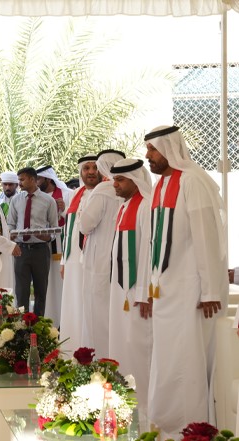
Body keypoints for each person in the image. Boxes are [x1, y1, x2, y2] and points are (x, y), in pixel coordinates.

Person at [144, 126, 227, 439]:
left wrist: (209, 290)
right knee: (167, 357)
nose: (148, 156)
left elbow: (206, 237)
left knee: (188, 357)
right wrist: (151, 284)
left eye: (153, 149)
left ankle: (193, 426)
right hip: (165, 289)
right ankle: (166, 421)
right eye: (147, 149)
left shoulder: (191, 181)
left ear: (170, 148)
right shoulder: (161, 185)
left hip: (191, 289)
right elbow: (156, 241)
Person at [107, 158, 153, 431]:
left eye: (120, 180)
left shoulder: (145, 206)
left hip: (137, 291)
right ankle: (123, 403)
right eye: (114, 179)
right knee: (121, 342)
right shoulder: (124, 206)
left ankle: (144, 411)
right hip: (120, 290)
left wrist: (145, 293)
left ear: (135, 180)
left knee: (138, 346)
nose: (115, 184)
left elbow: (147, 252)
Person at [78, 149, 126, 356]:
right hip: (120, 256)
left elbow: (85, 225)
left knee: (97, 309)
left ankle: (100, 357)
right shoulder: (130, 189)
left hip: (99, 258)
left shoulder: (103, 190)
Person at [59, 155, 99, 354]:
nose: (90, 172)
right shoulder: (76, 194)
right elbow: (68, 229)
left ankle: (90, 350)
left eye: (94, 167)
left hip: (93, 258)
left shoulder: (105, 193)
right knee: (73, 302)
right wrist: (64, 261)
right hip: (73, 259)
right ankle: (72, 349)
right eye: (86, 168)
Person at [6, 167, 58, 315]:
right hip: (21, 250)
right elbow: (10, 224)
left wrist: (47, 237)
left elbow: (54, 228)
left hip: (41, 250)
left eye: (22, 179)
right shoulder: (16, 200)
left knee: (41, 290)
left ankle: (39, 324)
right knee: (21, 291)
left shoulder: (48, 201)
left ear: (32, 179)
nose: (19, 183)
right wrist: (11, 235)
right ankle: (22, 325)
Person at [36, 165, 74, 328]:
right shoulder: (36, 197)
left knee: (61, 284)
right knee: (46, 285)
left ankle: (64, 321)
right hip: (41, 247)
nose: (36, 183)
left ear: (48, 179)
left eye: (38, 179)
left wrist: (64, 210)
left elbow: (76, 219)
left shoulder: (67, 194)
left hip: (61, 246)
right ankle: (48, 319)